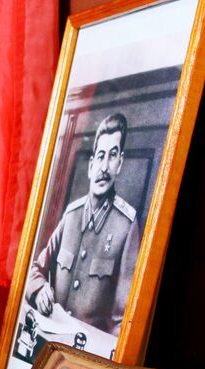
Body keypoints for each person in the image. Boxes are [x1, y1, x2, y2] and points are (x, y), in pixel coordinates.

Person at [25, 111, 141, 337]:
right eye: (100, 156)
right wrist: (39, 292)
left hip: (89, 357)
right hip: (51, 343)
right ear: (90, 165)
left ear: (120, 163)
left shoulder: (126, 227)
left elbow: (122, 320)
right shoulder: (71, 215)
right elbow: (35, 270)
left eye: (112, 155)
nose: (104, 167)